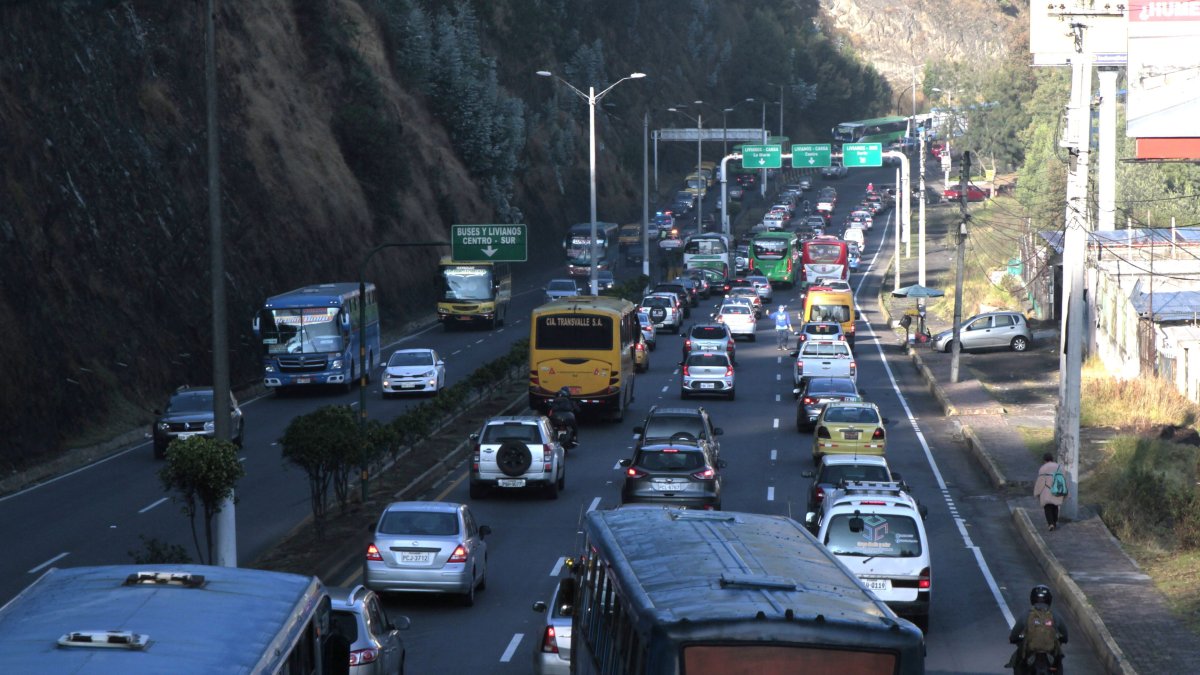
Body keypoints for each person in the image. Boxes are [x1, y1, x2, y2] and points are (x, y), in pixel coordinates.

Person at [1006, 584, 1068, 674]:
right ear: (1049, 599)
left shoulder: (1027, 615)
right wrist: (1064, 639)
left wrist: (1013, 638)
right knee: (1058, 659)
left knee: (1018, 660)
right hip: (1050, 652)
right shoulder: (1055, 615)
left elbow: (1015, 632)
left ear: (1032, 598)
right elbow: (1065, 633)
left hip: (1030, 650)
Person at [1034, 452, 1065, 531]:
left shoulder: (1043, 468)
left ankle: (1050, 524)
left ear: (1044, 460)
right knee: (1055, 506)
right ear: (1052, 459)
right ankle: (1054, 521)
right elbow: (1063, 479)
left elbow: (1040, 481)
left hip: (1046, 490)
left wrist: (1037, 492)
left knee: (1047, 507)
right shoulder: (1059, 467)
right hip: (1057, 489)